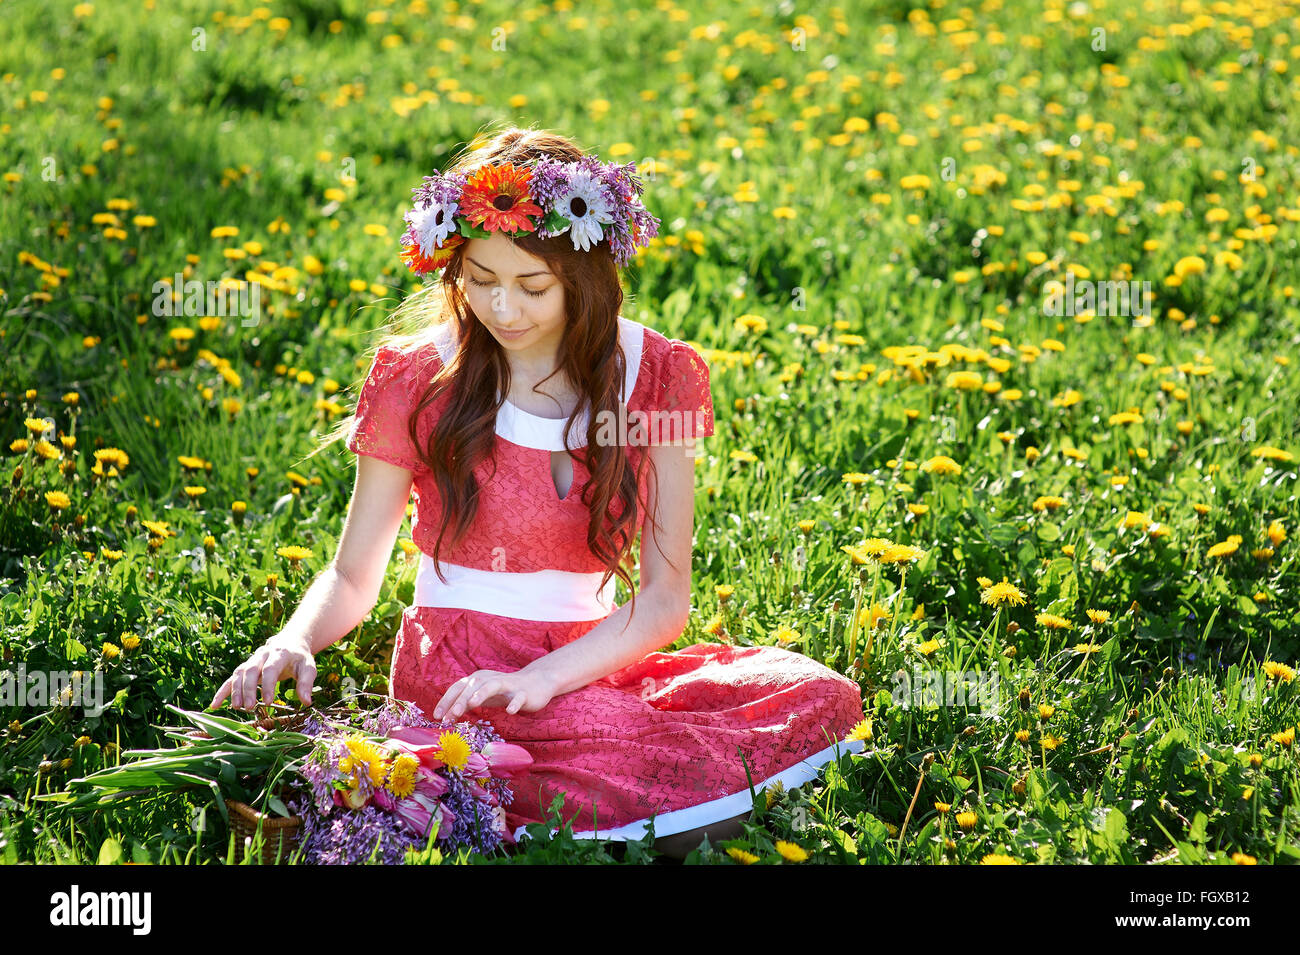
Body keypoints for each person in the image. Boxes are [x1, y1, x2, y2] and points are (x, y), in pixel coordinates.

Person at [210, 123, 868, 860]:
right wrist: (293, 638)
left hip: (587, 658)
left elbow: (662, 602)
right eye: (480, 280)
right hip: (460, 674)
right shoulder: (417, 375)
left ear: (583, 278)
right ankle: (571, 814)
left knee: (817, 695)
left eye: (532, 286)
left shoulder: (658, 375)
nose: (504, 309)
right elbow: (354, 572)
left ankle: (527, 808)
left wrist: (544, 676)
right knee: (617, 764)